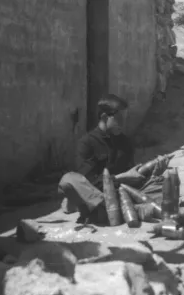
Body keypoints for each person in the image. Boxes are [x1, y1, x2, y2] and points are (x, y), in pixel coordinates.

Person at [58, 94, 163, 225]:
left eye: (125, 118)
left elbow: (133, 176)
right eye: (119, 119)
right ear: (104, 117)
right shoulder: (86, 143)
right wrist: (119, 178)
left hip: (123, 194)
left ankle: (123, 210)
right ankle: (128, 210)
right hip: (99, 198)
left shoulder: (124, 142)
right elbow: (89, 180)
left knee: (163, 184)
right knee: (68, 179)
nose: (123, 123)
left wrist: (151, 173)